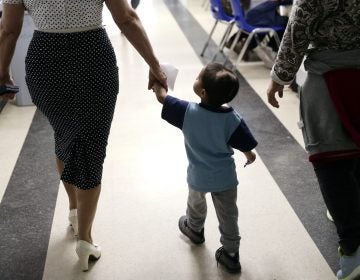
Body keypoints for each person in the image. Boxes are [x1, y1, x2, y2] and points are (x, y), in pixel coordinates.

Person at [0, 0, 167, 272]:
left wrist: (3, 72)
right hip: (93, 58)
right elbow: (126, 18)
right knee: (90, 147)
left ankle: (75, 210)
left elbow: (9, 29)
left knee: (64, 135)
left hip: (45, 63)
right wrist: (155, 65)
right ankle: (84, 239)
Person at [266, 0, 360, 279]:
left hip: (330, 77)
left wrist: (279, 77)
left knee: (331, 161)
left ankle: (353, 250)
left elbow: (298, 29)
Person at [151, 63, 258, 274]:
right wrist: (249, 156)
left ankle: (195, 229)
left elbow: (162, 97)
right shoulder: (232, 119)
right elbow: (247, 146)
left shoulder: (186, 111)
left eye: (198, 77)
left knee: (195, 205)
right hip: (225, 179)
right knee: (228, 216)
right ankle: (231, 255)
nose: (196, 77)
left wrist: (157, 81)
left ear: (202, 92)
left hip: (198, 176)